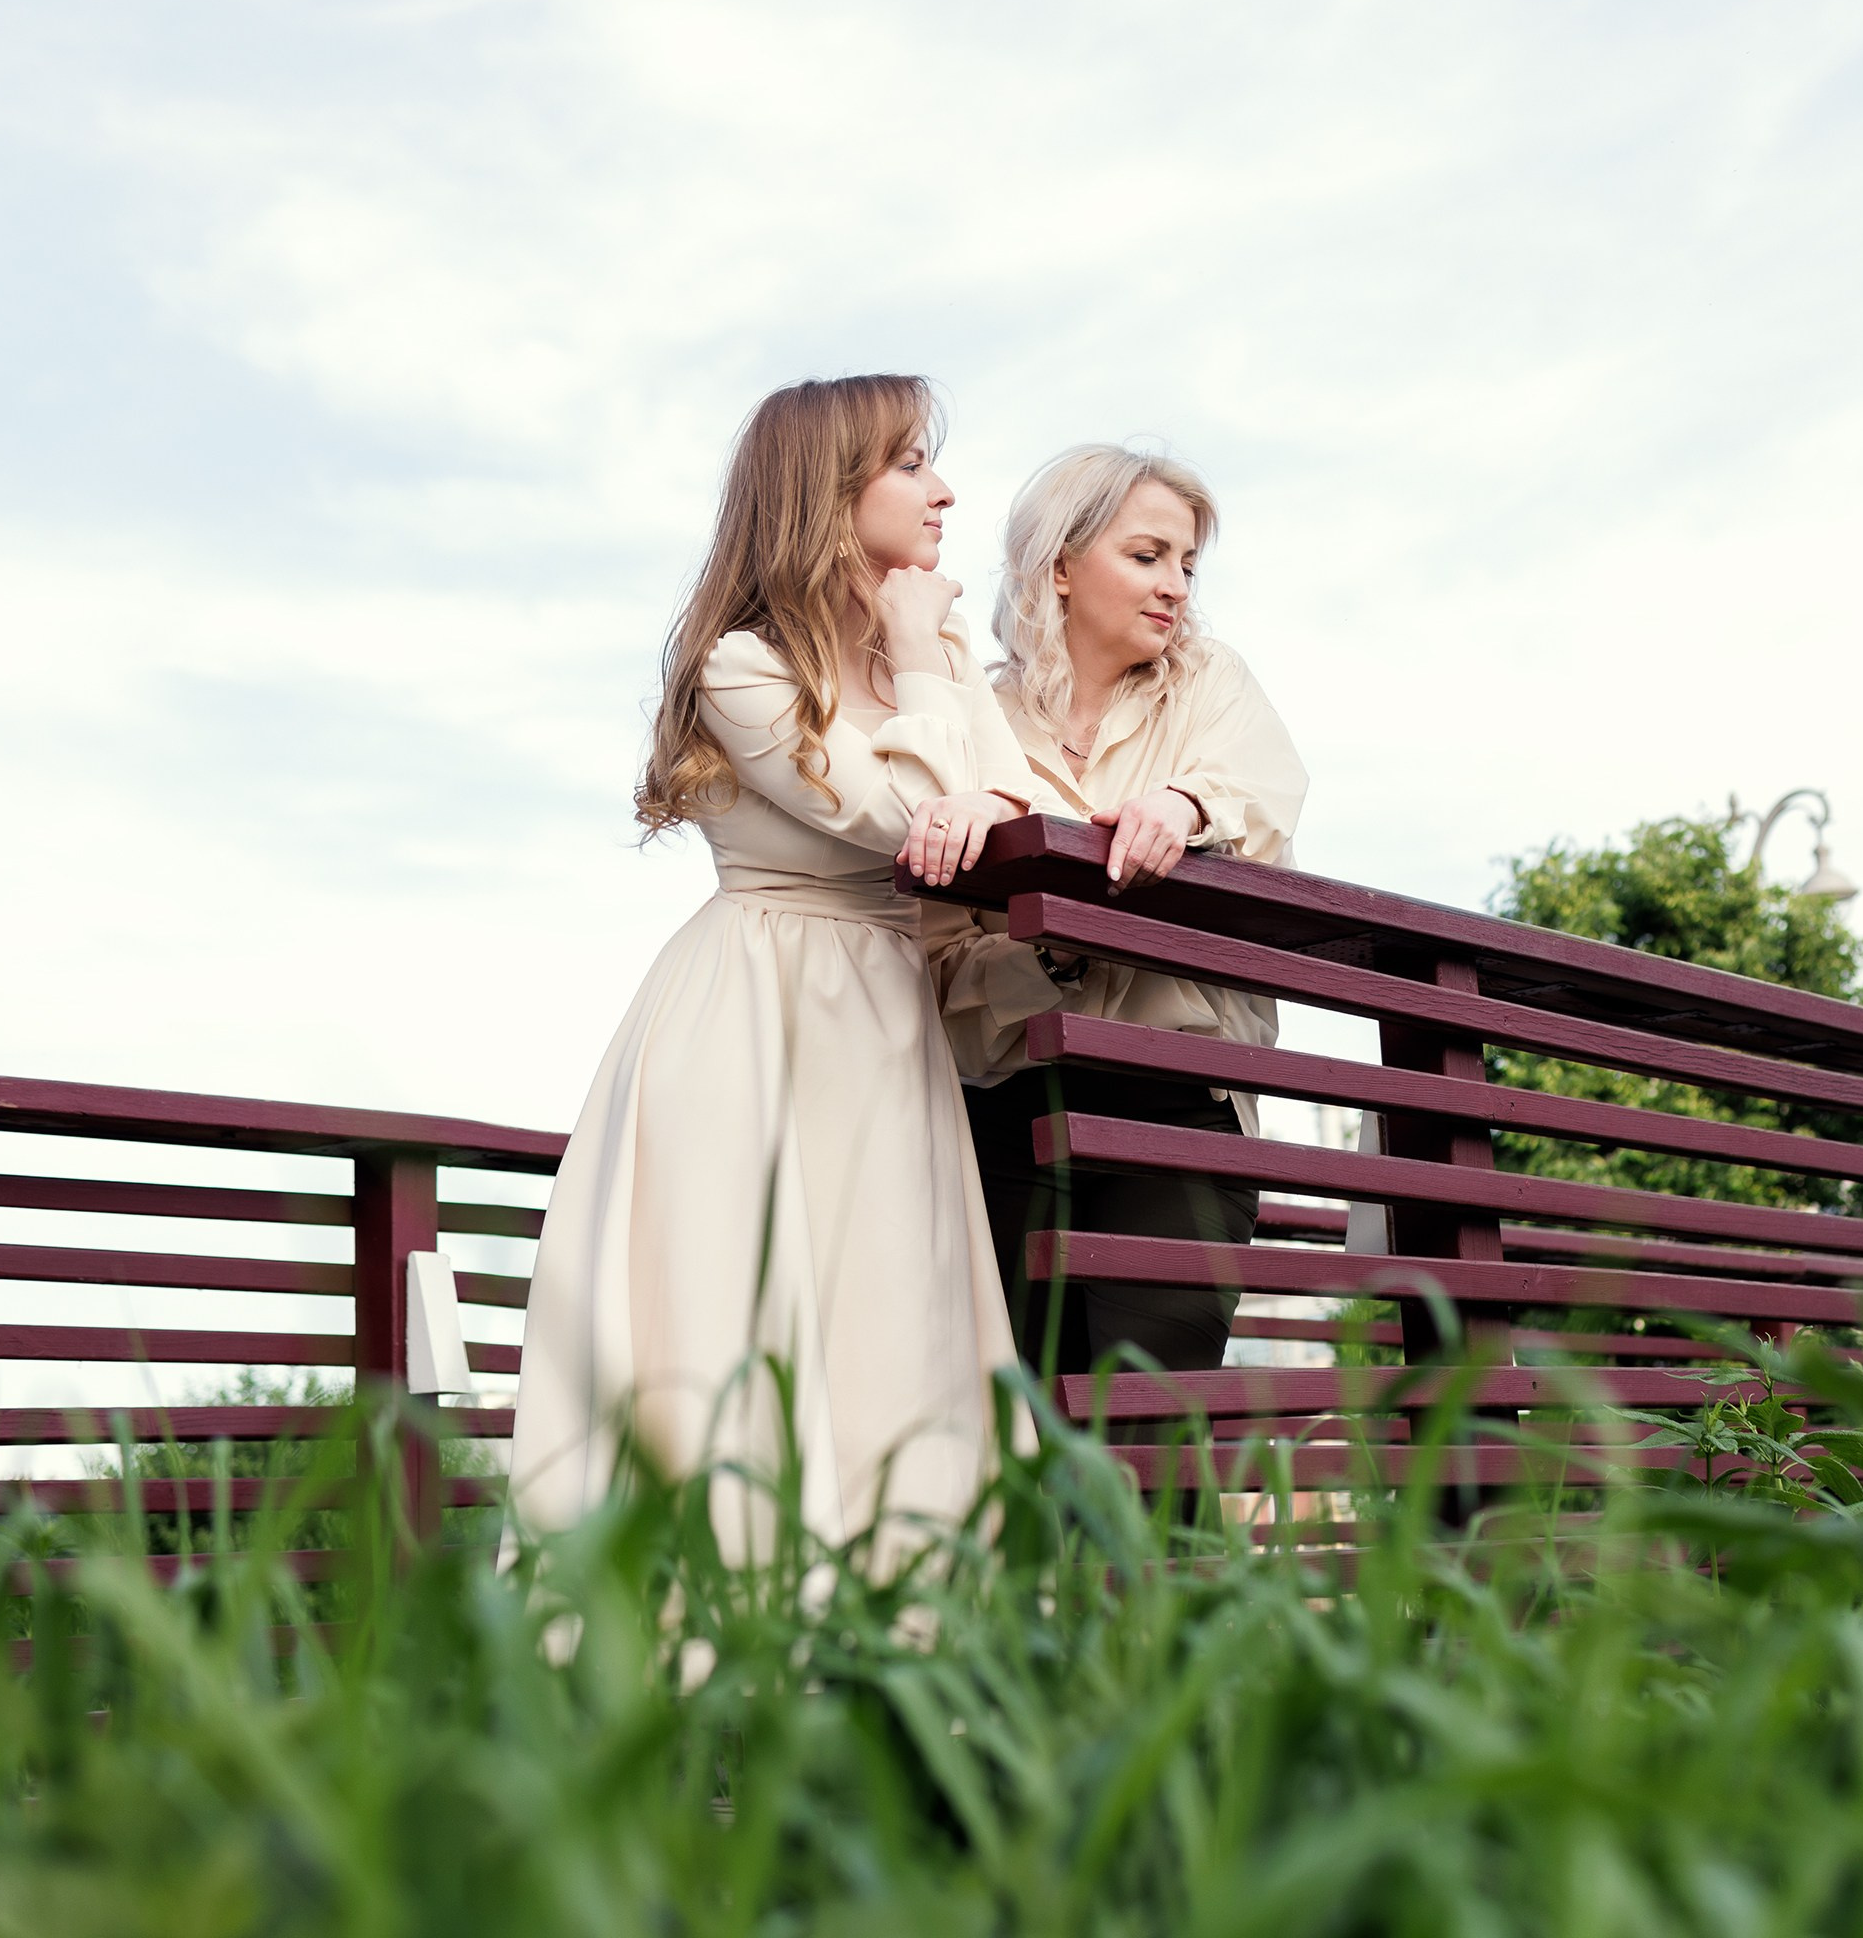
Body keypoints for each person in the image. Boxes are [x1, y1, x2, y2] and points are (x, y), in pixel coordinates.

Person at [509, 375, 1035, 1550]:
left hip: (888, 1020)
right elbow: (903, 818)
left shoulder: (932, 646)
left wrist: (923, 663)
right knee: (739, 1331)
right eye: (910, 463)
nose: (943, 489)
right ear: (827, 487)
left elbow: (1009, 810)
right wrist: (924, 674)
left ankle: (901, 1657)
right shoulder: (743, 668)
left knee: (895, 1322)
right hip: (755, 1016)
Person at [934, 444, 1307, 1381]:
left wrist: (1181, 807)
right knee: (1029, 1449)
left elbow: (1259, 797)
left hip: (1177, 1106)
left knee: (1152, 1440)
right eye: (1148, 556)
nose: (1176, 586)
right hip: (1009, 1110)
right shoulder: (972, 714)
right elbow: (943, 964)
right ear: (1059, 567)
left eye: (1187, 564)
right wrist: (1053, 957)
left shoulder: (1210, 683)